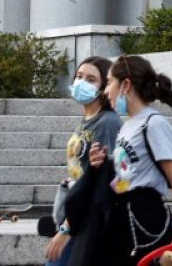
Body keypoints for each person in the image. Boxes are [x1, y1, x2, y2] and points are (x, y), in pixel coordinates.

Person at [89, 54, 172, 266]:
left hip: (146, 217)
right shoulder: (127, 125)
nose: (106, 90)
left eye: (110, 82)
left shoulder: (154, 124)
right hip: (121, 214)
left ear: (126, 85)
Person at [44, 57, 123, 266]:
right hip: (75, 213)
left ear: (104, 86)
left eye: (91, 79)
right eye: (79, 77)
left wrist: (65, 230)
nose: (82, 83)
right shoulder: (86, 119)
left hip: (85, 220)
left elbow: (100, 180)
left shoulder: (107, 122)